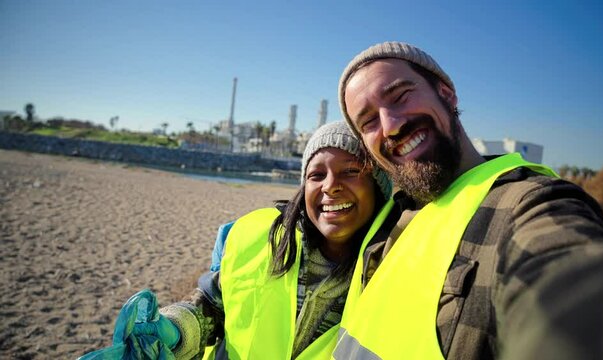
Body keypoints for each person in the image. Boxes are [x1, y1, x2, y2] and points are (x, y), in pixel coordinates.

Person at [334, 41, 603, 359]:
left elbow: (567, 274)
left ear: (446, 93)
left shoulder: (522, 203)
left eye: (400, 96)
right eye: (368, 122)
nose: (391, 126)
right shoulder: (384, 213)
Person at [79, 121, 393, 360]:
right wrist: (172, 331)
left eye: (351, 171)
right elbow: (211, 310)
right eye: (316, 175)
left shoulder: (396, 268)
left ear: (379, 185)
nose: (330, 186)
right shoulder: (259, 238)